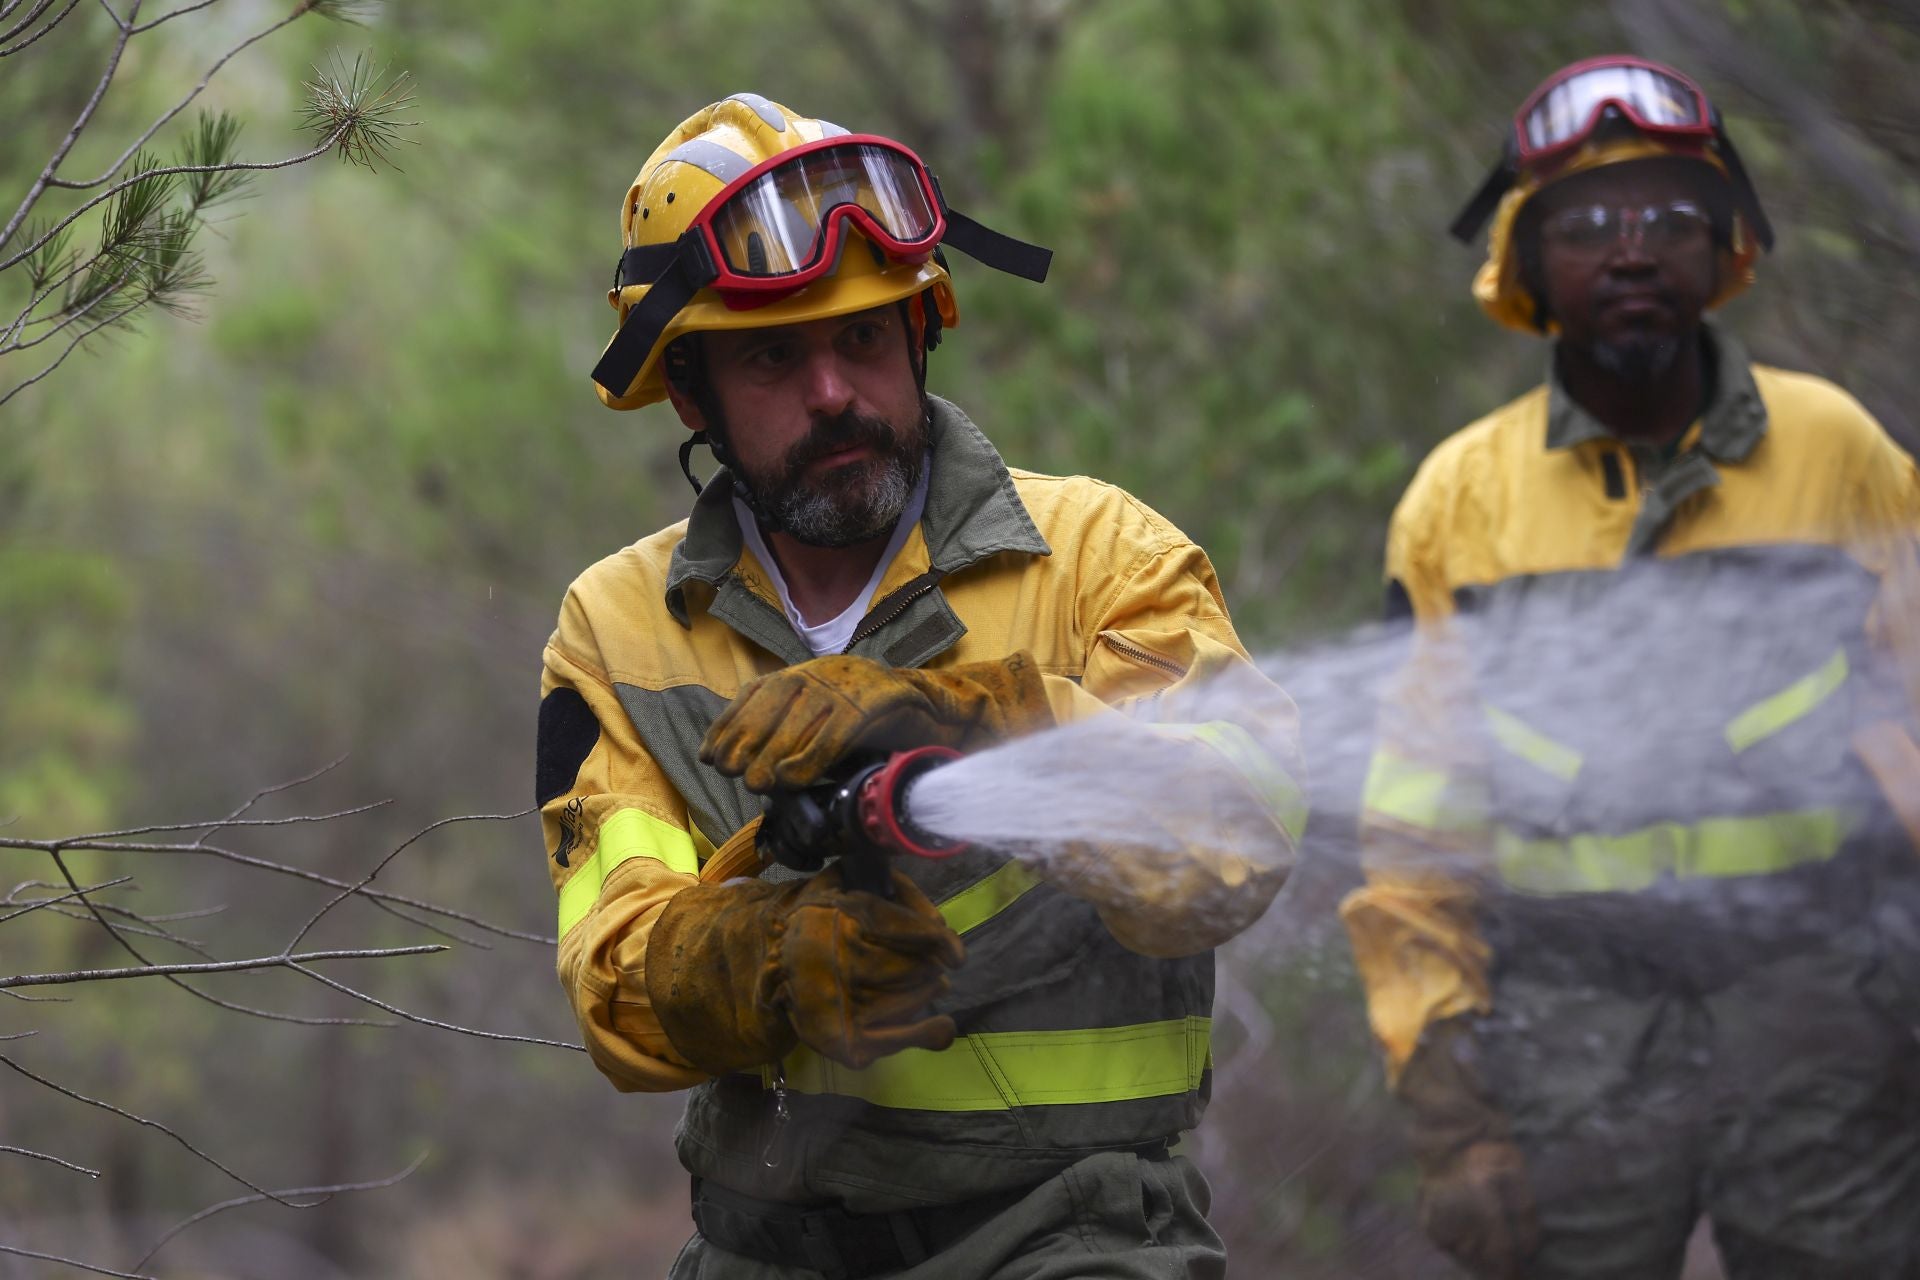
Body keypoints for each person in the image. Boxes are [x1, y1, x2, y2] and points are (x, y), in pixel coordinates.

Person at [536, 94, 1305, 1279]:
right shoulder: (621, 627)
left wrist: (987, 713)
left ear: (921, 330)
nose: (835, 392)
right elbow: (615, 975)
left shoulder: (1105, 558)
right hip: (762, 1248)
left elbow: (1239, 835)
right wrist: (767, 957)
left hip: (1078, 1233)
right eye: (773, 356)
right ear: (690, 392)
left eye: (862, 339)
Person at [1339, 56, 1920, 1279]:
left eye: (1670, 216)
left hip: (1826, 1015)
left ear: (1724, 248)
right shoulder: (1461, 500)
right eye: (1590, 224)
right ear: (1530, 265)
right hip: (1567, 1033)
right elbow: (1415, 834)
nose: (1635, 248)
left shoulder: (1842, 453)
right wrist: (1451, 1111)